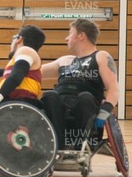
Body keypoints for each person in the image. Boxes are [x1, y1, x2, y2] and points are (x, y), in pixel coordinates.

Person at [40, 19, 119, 150]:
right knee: (49, 95)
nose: (66, 38)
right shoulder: (64, 60)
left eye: (70, 33)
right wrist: (3, 71)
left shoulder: (100, 56)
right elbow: (32, 71)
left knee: (85, 97)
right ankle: (56, 146)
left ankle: (82, 146)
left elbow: (114, 89)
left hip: (86, 108)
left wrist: (104, 113)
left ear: (81, 35)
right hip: (61, 107)